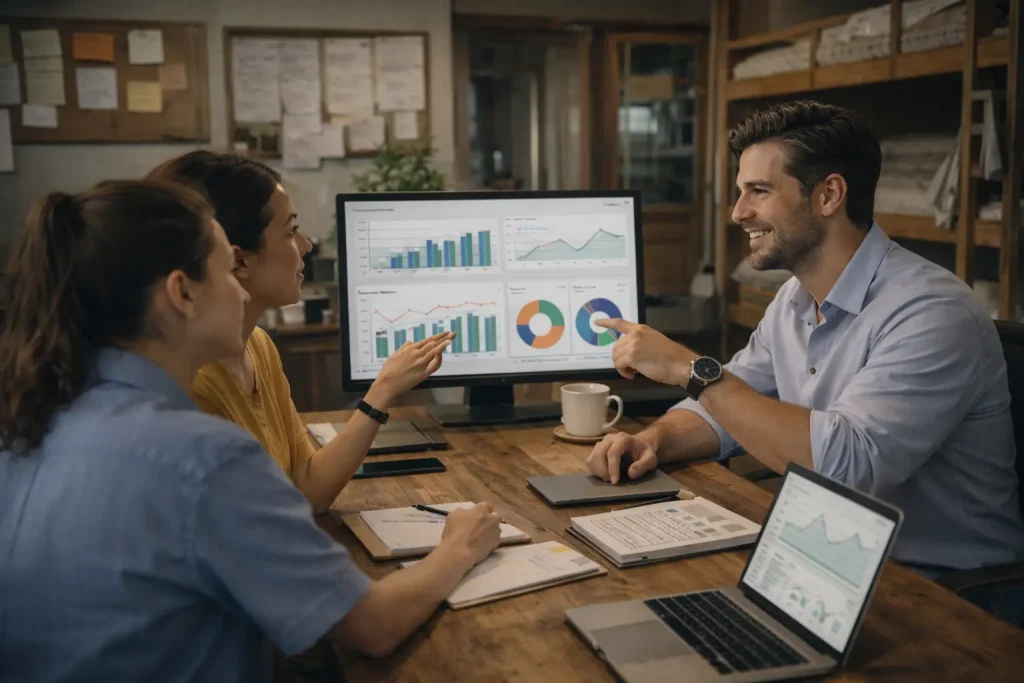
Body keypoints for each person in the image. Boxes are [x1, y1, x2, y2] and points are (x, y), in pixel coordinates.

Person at [0, 180, 502, 682]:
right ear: (182, 293)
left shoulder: (31, 423)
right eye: (225, 271)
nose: (240, 289)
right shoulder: (203, 458)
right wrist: (458, 546)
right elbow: (375, 626)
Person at [584, 101, 1024, 621]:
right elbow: (727, 404)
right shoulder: (793, 301)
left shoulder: (931, 313)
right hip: (825, 573)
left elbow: (846, 467)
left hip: (947, 601)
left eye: (759, 191)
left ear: (829, 195)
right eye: (741, 190)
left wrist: (689, 368)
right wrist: (653, 441)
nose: (738, 211)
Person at [145, 151, 453, 514]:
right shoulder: (192, 387)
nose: (305, 245)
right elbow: (272, 525)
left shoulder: (257, 344)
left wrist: (382, 391)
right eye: (290, 231)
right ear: (237, 259)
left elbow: (306, 487)